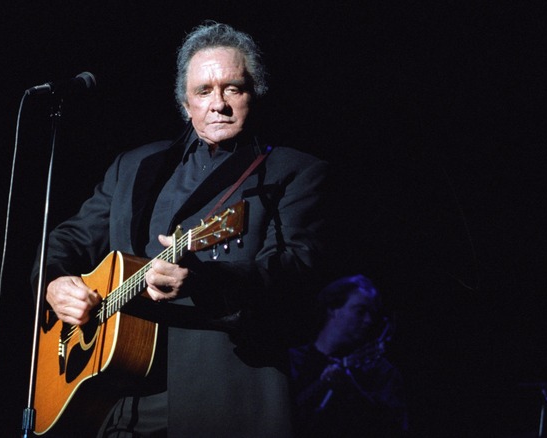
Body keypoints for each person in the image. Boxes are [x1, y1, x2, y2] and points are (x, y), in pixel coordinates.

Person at [34, 22, 328, 437]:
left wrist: (204, 283)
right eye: (203, 91)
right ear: (185, 103)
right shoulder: (133, 165)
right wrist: (53, 284)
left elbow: (294, 276)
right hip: (114, 403)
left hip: (223, 399)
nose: (218, 104)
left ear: (254, 94)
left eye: (233, 88)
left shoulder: (293, 171)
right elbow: (67, 240)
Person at [289, 275, 408, 437]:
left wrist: (352, 390)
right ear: (333, 309)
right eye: (360, 311)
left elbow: (394, 428)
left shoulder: (382, 372)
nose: (369, 320)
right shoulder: (292, 360)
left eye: (372, 314)